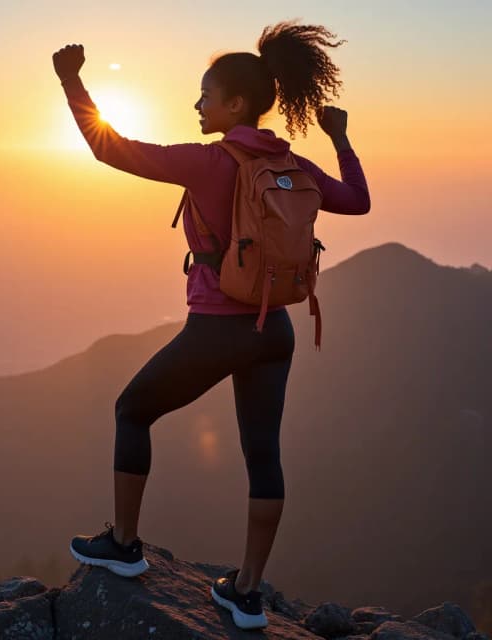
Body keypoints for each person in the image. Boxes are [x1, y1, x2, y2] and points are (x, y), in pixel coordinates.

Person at [53, 19, 370, 631]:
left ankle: (122, 545)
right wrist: (342, 138)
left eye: (205, 93)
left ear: (236, 104)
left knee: (131, 411)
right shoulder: (291, 162)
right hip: (276, 330)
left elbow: (108, 148)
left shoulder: (208, 162)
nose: (196, 103)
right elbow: (356, 201)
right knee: (263, 455)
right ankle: (247, 593)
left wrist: (72, 81)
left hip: (219, 328)